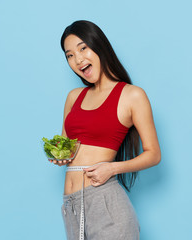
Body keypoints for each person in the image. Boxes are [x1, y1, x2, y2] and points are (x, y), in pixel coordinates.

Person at [49, 20, 161, 240]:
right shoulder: (74, 97)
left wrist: (112, 169)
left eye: (83, 48)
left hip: (105, 202)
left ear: (99, 46)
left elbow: (154, 154)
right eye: (69, 55)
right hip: (71, 205)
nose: (78, 59)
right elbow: (66, 145)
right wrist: (59, 155)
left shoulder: (132, 95)